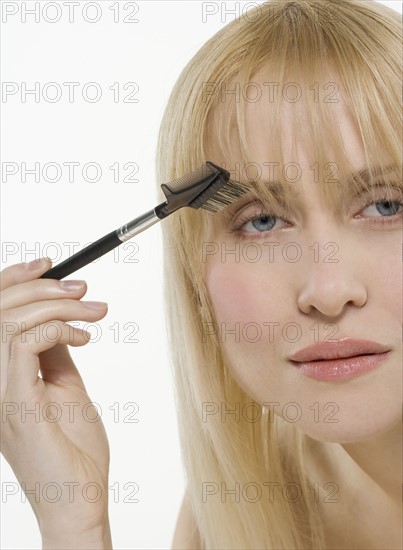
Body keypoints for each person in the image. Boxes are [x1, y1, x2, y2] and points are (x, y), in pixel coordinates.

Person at [1, 0, 401, 548]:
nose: (329, 292)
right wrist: (74, 522)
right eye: (262, 221)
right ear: (196, 278)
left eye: (385, 206)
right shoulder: (248, 500)